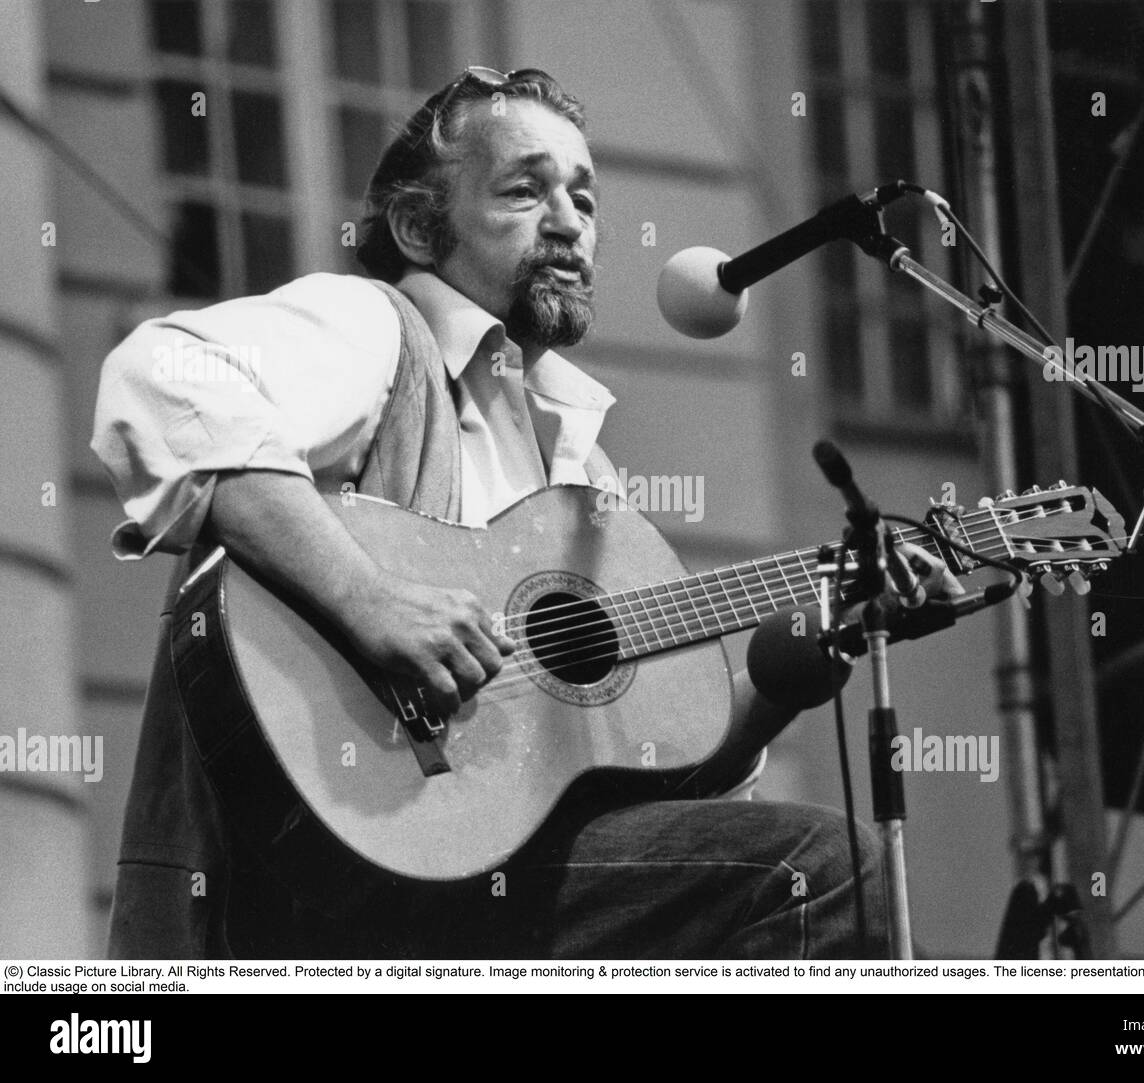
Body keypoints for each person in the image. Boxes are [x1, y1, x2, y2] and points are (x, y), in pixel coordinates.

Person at [93, 68, 950, 959]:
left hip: (494, 878)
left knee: (796, 871)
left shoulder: (583, 472)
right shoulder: (374, 328)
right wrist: (368, 597)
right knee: (822, 863)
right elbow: (161, 377)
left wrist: (811, 651)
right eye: (524, 190)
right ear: (421, 228)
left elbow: (658, 777)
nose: (571, 220)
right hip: (347, 861)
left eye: (583, 196)